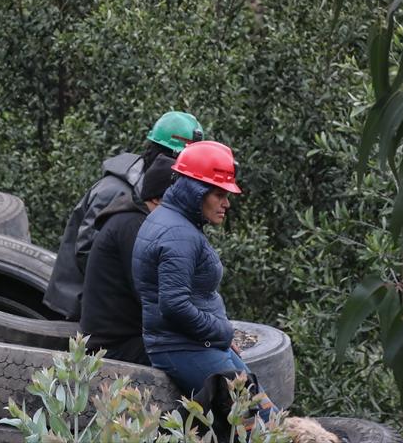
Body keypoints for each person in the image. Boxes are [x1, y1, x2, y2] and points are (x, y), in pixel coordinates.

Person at [132, 140, 276, 421]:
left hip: (197, 343)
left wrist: (218, 336)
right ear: (195, 191)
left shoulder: (174, 221)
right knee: (257, 427)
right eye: (220, 194)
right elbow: (173, 305)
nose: (226, 203)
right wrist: (220, 331)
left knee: (270, 414)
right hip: (183, 348)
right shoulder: (178, 235)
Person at [43, 110, 204, 320]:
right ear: (165, 157)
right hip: (78, 305)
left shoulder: (153, 188)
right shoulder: (113, 191)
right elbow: (87, 250)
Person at [78, 155, 177, 364]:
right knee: (200, 359)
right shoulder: (133, 227)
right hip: (112, 349)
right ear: (158, 198)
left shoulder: (139, 221)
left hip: (131, 339)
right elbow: (154, 298)